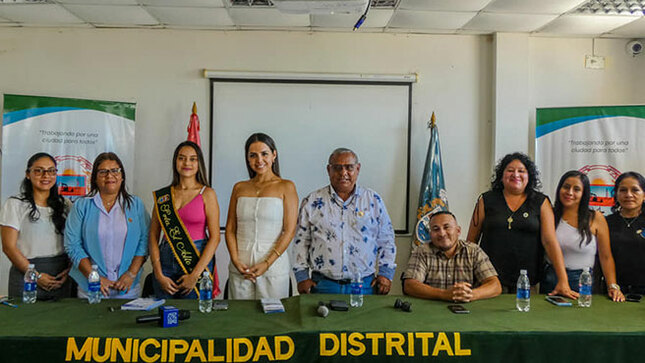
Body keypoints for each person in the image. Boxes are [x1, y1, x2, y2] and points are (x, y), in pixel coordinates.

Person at [466, 152, 577, 299]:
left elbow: (550, 242)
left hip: (527, 282)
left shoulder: (541, 201)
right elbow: (471, 242)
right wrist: (465, 276)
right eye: (510, 170)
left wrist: (563, 281)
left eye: (521, 171)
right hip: (488, 280)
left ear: (529, 175)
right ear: (501, 175)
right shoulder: (486, 200)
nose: (515, 174)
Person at [293, 148, 396, 295]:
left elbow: (386, 239)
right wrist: (301, 276)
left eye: (349, 167)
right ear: (329, 170)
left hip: (363, 284)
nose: (343, 173)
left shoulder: (373, 200)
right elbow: (301, 242)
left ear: (358, 169)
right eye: (337, 168)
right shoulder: (312, 201)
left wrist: (386, 274)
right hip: (324, 285)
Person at [65, 152, 149, 299]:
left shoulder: (135, 205)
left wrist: (131, 274)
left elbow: (145, 241)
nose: (109, 176)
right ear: (95, 178)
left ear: (122, 176)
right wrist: (93, 276)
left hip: (127, 288)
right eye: (103, 172)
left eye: (115, 171)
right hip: (91, 288)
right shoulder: (82, 205)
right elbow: (72, 245)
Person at [225, 133, 298, 299]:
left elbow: (289, 230)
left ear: (274, 155)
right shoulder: (239, 188)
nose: (259, 160)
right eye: (253, 155)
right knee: (240, 317)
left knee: (272, 320)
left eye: (264, 154)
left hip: (273, 266)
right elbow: (230, 229)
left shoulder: (286, 186)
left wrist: (267, 263)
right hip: (241, 267)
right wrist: (235, 260)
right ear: (247, 159)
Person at [149, 141, 221, 299]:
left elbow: (215, 238)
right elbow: (153, 236)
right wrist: (158, 273)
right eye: (182, 158)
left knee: (194, 316)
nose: (187, 163)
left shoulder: (207, 194)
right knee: (164, 314)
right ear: (175, 162)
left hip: (196, 260)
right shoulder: (163, 197)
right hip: (165, 260)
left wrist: (195, 275)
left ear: (199, 163)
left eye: (193, 159)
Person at [540, 171, 624, 301]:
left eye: (576, 189)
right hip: (552, 277)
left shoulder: (595, 218)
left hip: (583, 280)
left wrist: (612, 286)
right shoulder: (549, 214)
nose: (570, 192)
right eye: (566, 187)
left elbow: (606, 257)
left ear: (584, 194)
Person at [1, 153, 72, 300]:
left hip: (60, 277)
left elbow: (74, 242)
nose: (46, 176)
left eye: (51, 171)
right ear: (28, 174)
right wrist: (36, 276)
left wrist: (70, 269)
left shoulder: (65, 205)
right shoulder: (14, 204)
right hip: (26, 275)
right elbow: (8, 247)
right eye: (39, 171)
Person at [402, 211, 501, 302]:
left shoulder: (473, 251)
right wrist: (444, 294)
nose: (442, 233)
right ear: (430, 234)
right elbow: (410, 285)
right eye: (436, 229)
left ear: (458, 231)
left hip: (468, 311)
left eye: (446, 227)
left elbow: (495, 285)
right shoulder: (422, 251)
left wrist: (471, 295)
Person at [606, 171, 645, 295]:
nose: (628, 195)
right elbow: (604, 257)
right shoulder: (606, 222)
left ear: (644, 195)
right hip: (614, 291)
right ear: (616, 194)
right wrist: (612, 286)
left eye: (635, 190)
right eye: (623, 190)